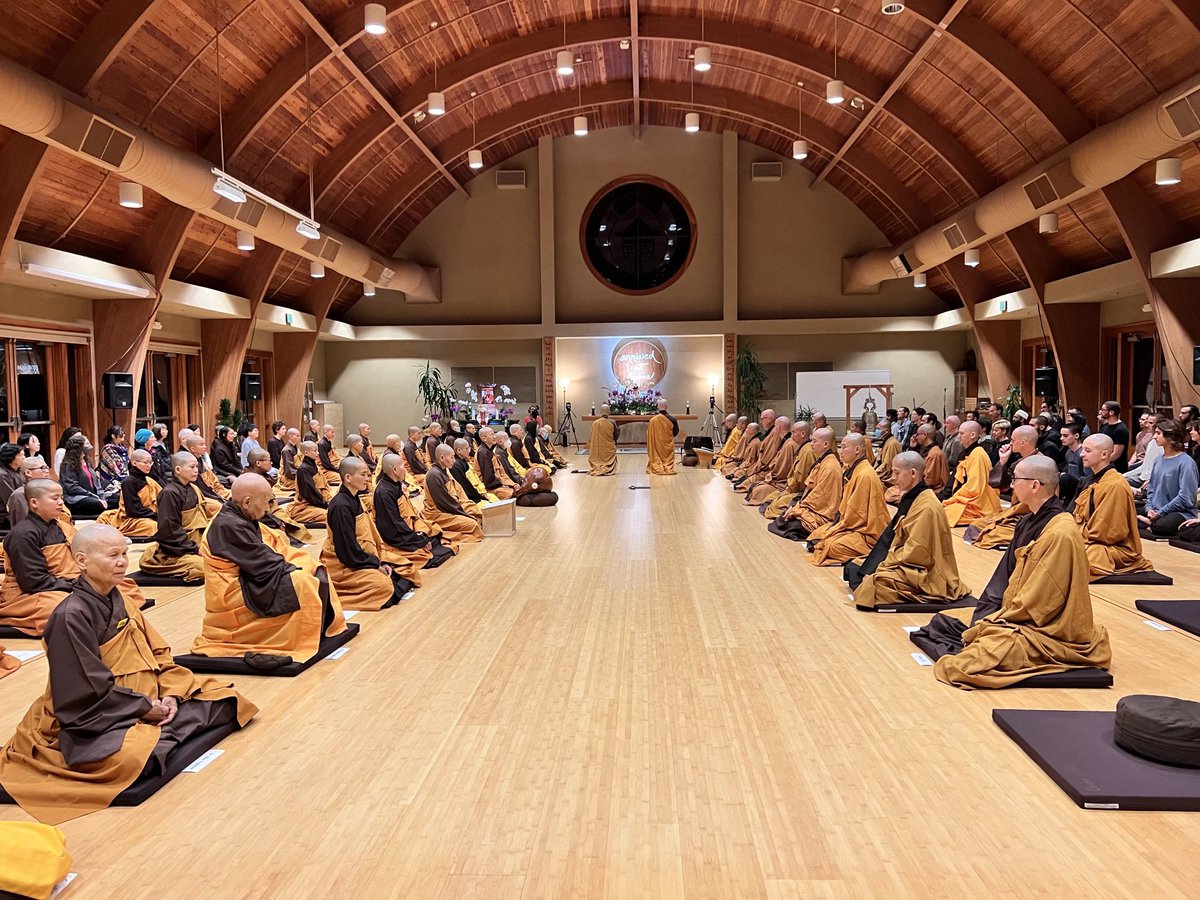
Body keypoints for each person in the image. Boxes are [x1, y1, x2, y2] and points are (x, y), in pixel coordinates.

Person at [0, 523, 257, 825]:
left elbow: (158, 653)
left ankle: (162, 730)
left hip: (150, 696)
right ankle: (158, 732)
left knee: (225, 698)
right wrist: (144, 708)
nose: (122, 562)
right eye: (112, 555)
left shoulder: (118, 598)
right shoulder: (70, 616)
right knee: (132, 758)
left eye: (124, 553)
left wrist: (171, 693)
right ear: (81, 561)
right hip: (98, 715)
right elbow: (84, 692)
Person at [921, 456, 1112, 689]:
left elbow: (1042, 603)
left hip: (1044, 628)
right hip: (1013, 613)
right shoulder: (1027, 521)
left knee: (966, 664)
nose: (1011, 485)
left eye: (1015, 480)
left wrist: (997, 622)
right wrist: (987, 615)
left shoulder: (1061, 534)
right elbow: (1003, 577)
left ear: (1034, 485)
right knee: (944, 622)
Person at [191, 474, 348, 666]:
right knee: (301, 581)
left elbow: (260, 556)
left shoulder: (239, 515)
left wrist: (295, 565)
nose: (268, 509)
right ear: (247, 501)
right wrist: (293, 568)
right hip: (232, 590)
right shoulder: (228, 525)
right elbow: (263, 564)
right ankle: (296, 635)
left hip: (250, 573)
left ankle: (313, 628)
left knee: (313, 569)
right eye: (266, 502)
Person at [0, 481, 145, 636]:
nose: (61, 502)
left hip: (67, 582)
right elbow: (32, 581)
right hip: (32, 593)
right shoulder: (23, 534)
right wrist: (75, 585)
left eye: (61, 497)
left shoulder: (60, 526)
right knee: (64, 607)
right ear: (34, 503)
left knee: (123, 587)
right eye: (55, 498)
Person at [849, 451, 970, 607]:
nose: (893, 478)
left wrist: (882, 567)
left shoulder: (927, 507)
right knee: (853, 568)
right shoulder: (913, 496)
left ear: (913, 473)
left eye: (897, 473)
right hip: (902, 558)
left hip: (924, 572)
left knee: (872, 586)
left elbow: (916, 552)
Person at [321, 458, 414, 608]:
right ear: (348, 478)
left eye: (368, 474)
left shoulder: (354, 498)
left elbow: (368, 534)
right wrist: (374, 564)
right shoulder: (341, 507)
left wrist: (379, 561)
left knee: (406, 569)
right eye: (363, 475)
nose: (367, 478)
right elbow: (347, 550)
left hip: (363, 555)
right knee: (384, 585)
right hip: (344, 563)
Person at [1070, 433, 1156, 579]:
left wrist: (1075, 533)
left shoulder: (1114, 486)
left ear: (1104, 454)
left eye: (1088, 451)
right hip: (1087, 538)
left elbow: (1107, 533)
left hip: (1110, 547)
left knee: (1077, 559)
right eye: (1083, 450)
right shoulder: (1090, 480)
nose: (1082, 454)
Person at [806, 433, 888, 566]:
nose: (840, 451)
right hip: (849, 523)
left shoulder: (865, 475)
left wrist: (839, 527)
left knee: (831, 546)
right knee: (815, 536)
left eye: (844, 447)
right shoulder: (854, 470)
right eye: (840, 447)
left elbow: (858, 515)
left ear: (857, 450)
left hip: (865, 532)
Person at [374, 453, 456, 584]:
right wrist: (417, 540)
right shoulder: (384, 491)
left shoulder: (395, 485)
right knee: (423, 553)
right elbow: (393, 524)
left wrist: (419, 535)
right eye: (402, 466)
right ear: (394, 470)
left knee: (434, 530)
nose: (405, 469)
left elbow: (406, 512)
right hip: (396, 535)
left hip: (408, 526)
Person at [962, 425, 1043, 549]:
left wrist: (1010, 514)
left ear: (1022, 442)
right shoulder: (1018, 462)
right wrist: (1003, 461)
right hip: (1015, 511)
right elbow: (996, 483)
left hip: (1030, 515)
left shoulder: (1041, 464)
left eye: (1012, 440)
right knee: (977, 525)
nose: (1010, 443)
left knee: (992, 534)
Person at [137, 452, 209, 582]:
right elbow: (170, 530)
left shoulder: (194, 488)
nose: (196, 471)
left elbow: (204, 517)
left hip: (200, 541)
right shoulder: (169, 493)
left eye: (196, 467)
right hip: (179, 549)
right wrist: (194, 549)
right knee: (204, 567)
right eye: (191, 467)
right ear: (178, 470)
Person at [768, 427, 841, 541]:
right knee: (782, 518)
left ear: (826, 444)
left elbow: (821, 496)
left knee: (791, 525)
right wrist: (797, 506)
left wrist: (798, 509)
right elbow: (809, 488)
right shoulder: (822, 460)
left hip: (822, 512)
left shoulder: (831, 466)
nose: (811, 444)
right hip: (809, 503)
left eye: (815, 441)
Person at [1137, 418, 1199, 537]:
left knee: (1161, 526)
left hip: (1179, 512)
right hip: (1156, 510)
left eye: (1158, 433)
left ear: (1171, 437)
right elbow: (1152, 488)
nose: (1154, 437)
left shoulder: (1186, 463)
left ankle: (1150, 523)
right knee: (1125, 513)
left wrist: (1160, 512)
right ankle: (1149, 522)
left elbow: (1186, 498)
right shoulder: (1158, 460)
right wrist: (1149, 508)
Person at [941, 421, 1001, 526]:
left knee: (944, 515)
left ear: (972, 435)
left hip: (977, 504)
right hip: (964, 498)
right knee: (941, 512)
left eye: (961, 433)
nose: (958, 436)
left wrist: (954, 498)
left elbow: (974, 488)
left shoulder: (978, 455)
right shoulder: (969, 453)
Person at [423, 444, 485, 543]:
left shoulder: (444, 471)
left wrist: (465, 507)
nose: (454, 460)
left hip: (453, 507)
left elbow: (458, 491)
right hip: (440, 514)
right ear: (442, 458)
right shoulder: (433, 475)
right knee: (472, 524)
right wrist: (464, 514)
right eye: (451, 457)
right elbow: (444, 503)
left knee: (476, 511)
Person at [96, 449, 160, 538]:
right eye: (145, 463)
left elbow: (162, 497)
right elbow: (133, 510)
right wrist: (155, 515)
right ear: (134, 463)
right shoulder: (129, 482)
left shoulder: (149, 481)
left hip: (149, 515)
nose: (149, 466)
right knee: (153, 527)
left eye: (150, 463)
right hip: (131, 519)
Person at [758, 424, 816, 518]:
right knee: (770, 498)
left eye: (793, 432)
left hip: (801, 491)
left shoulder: (807, 451)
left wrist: (788, 488)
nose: (791, 434)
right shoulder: (802, 447)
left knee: (774, 505)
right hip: (790, 484)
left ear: (803, 434)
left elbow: (800, 478)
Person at [748, 421, 809, 506]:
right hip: (784, 481)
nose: (791, 435)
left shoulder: (794, 446)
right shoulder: (793, 443)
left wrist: (771, 475)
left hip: (786, 484)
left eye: (793, 432)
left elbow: (786, 471)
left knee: (762, 494)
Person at [887, 424, 946, 502]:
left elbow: (929, 480)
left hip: (929, 489)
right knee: (890, 491)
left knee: (893, 495)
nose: (915, 437)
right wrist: (912, 447)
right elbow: (911, 461)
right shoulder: (924, 449)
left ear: (925, 435)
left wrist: (908, 489)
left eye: (917, 434)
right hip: (916, 483)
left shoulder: (934, 454)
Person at [736, 416, 791, 495]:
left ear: (778, 427)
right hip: (768, 469)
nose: (761, 421)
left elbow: (781, 465)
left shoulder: (788, 444)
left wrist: (769, 471)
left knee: (757, 490)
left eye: (762, 419)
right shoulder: (778, 437)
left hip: (777, 477)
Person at [5, 456, 55, 528]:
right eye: (43, 468)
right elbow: (24, 526)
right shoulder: (20, 494)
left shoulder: (48, 490)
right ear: (28, 472)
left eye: (47, 467)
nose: (47, 471)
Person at [183, 434, 228, 514]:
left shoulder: (202, 461)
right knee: (220, 506)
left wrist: (219, 491)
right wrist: (217, 497)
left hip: (213, 491)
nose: (205, 447)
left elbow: (213, 480)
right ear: (193, 449)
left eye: (204, 444)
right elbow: (201, 489)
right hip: (202, 497)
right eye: (201, 445)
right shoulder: (191, 465)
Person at [290, 442, 330, 524]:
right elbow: (309, 493)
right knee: (330, 515)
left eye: (317, 451)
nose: (318, 453)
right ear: (306, 453)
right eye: (315, 451)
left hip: (319, 500)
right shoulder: (303, 469)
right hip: (306, 505)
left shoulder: (314, 465)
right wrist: (325, 504)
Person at [450, 437, 499, 503]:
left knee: (494, 498)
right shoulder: (456, 466)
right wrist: (480, 495)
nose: (469, 451)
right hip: (470, 497)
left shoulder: (464, 462)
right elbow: (465, 487)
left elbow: (475, 478)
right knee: (488, 504)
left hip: (477, 491)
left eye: (469, 448)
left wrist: (482, 491)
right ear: (459, 450)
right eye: (467, 449)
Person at [1123, 413, 1163, 488]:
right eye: (1147, 422)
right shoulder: (1151, 442)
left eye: (1151, 423)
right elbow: (1145, 467)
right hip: (1142, 476)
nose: (1147, 425)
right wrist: (1124, 475)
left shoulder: (1161, 444)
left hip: (1149, 480)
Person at [477, 427, 517, 496]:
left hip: (497, 482)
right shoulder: (483, 453)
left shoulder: (489, 451)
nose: (494, 436)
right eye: (492, 434)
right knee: (512, 493)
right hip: (489, 486)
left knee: (516, 489)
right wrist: (501, 484)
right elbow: (488, 477)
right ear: (484, 438)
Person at [645, 400, 679, 476]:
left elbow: (649, 434)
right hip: (668, 445)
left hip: (657, 446)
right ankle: (668, 467)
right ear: (667, 407)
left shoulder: (653, 420)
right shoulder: (673, 419)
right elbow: (676, 432)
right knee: (668, 456)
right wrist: (668, 437)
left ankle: (657, 466)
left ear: (657, 406)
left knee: (656, 453)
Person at [587, 404, 620, 476]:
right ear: (609, 412)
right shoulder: (612, 422)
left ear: (600, 412)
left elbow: (592, 437)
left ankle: (598, 464)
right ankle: (608, 466)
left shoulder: (595, 423)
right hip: (608, 449)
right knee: (611, 446)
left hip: (597, 449)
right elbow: (616, 436)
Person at [1098, 401, 1130, 472]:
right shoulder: (1105, 426)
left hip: (1116, 468)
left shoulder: (1120, 429)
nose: (1100, 412)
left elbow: (1116, 454)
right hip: (1104, 464)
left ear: (1111, 412)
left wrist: (1101, 463)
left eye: (1103, 410)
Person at [0, 443, 25, 530]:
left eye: (23, 455)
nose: (23, 458)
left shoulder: (18, 471)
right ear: (10, 457)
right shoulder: (3, 475)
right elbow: (10, 499)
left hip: (19, 506)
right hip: (6, 515)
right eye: (20, 455)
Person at [277, 427, 302, 494]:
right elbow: (289, 471)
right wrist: (302, 476)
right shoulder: (287, 450)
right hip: (288, 478)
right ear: (291, 437)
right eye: (297, 436)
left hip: (296, 474)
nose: (299, 438)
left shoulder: (295, 447)